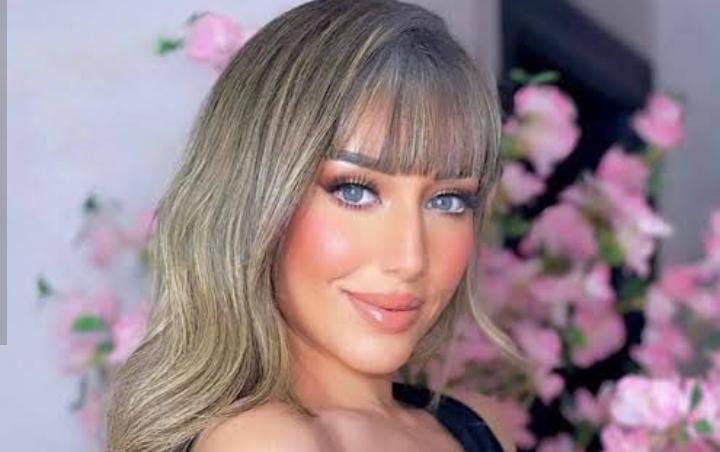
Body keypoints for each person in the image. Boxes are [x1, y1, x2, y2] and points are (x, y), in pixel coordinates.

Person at [106, 0, 528, 450]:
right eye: (355, 192)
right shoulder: (267, 442)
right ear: (255, 199)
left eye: (447, 201)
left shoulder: (480, 427)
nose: (410, 259)